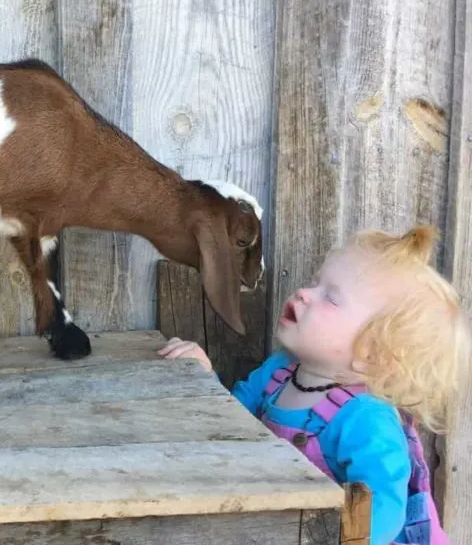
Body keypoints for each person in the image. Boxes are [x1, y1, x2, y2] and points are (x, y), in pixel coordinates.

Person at [158, 225, 471, 545]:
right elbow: (228, 425)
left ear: (373, 353)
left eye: (331, 298)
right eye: (314, 282)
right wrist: (203, 377)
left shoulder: (365, 418)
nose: (305, 293)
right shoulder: (276, 375)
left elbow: (385, 507)